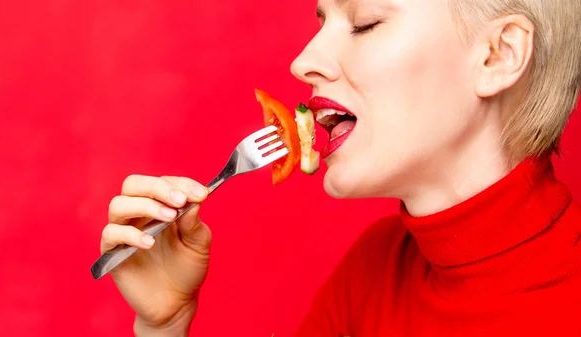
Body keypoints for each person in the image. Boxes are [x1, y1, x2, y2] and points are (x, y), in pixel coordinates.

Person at [99, 0, 581, 336]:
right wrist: (165, 328)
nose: (304, 61)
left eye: (365, 22)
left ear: (499, 55)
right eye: (321, 19)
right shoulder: (371, 273)